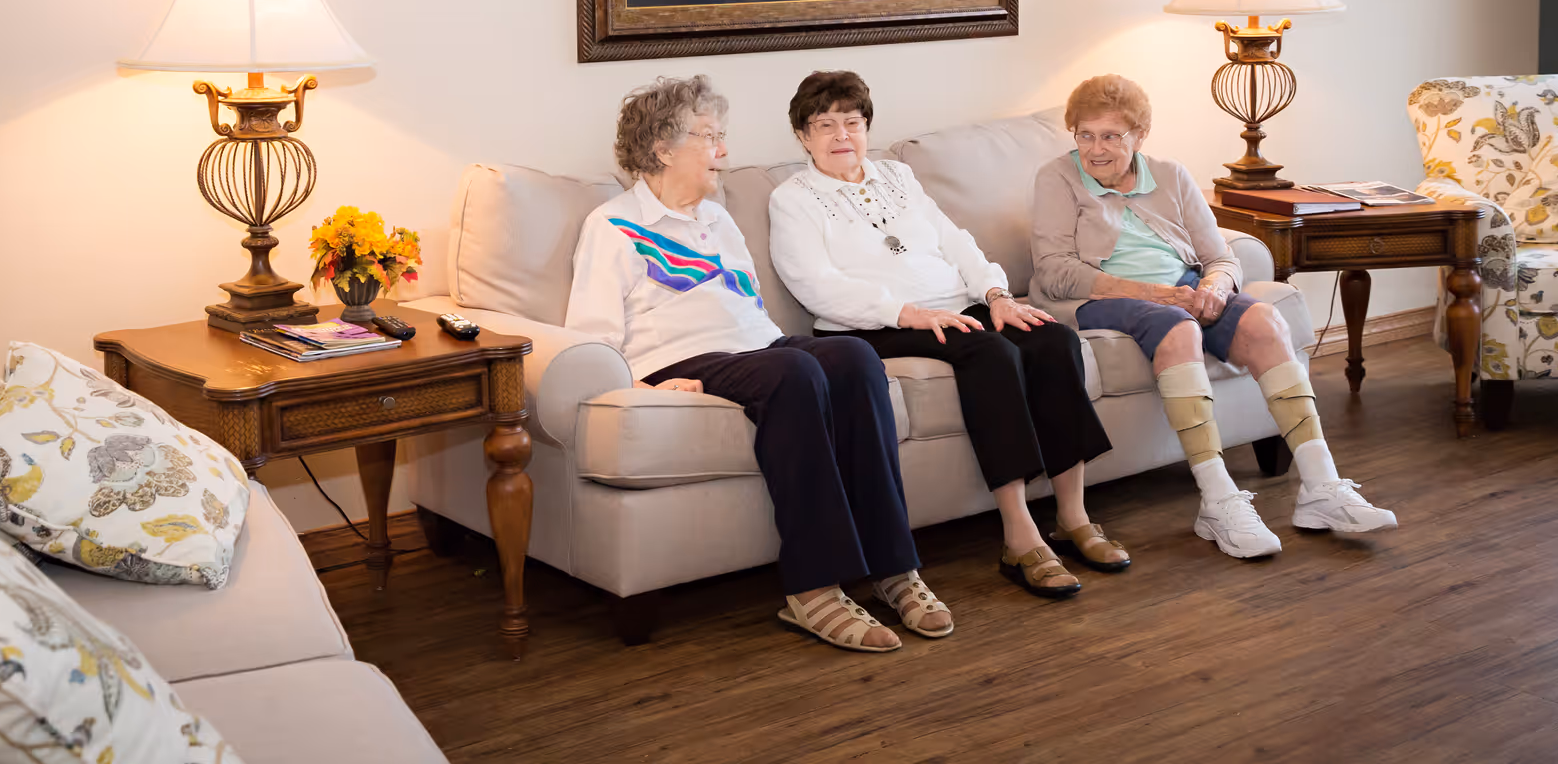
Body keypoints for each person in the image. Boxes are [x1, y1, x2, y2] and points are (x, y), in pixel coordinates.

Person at [566, 74, 952, 653]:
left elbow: (751, 311)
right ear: (662, 149)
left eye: (723, 136)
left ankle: (894, 567)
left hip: (757, 348)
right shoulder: (613, 226)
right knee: (795, 374)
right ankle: (812, 588)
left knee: (853, 357)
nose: (724, 151)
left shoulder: (718, 219)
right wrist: (646, 384)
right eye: (709, 137)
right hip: (685, 357)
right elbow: (589, 339)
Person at [769, 71, 1126, 600]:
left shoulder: (897, 176)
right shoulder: (792, 198)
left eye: (852, 122)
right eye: (826, 125)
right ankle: (1019, 535)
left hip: (958, 308)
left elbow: (955, 242)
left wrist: (998, 295)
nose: (842, 135)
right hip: (876, 327)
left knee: (1052, 338)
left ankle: (1073, 518)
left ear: (867, 127)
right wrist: (909, 313)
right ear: (803, 136)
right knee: (991, 353)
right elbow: (815, 286)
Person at [1029, 73, 1397, 559]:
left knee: (1265, 320)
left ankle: (1321, 488)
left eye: (1111, 136)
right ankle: (1218, 500)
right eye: (1085, 135)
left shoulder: (1171, 175)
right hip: (1101, 297)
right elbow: (1053, 271)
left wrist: (1213, 287)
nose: (1096, 149)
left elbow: (1221, 257)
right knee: (1179, 325)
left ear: (1140, 136)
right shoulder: (1057, 178)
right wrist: (1155, 294)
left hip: (1180, 290)